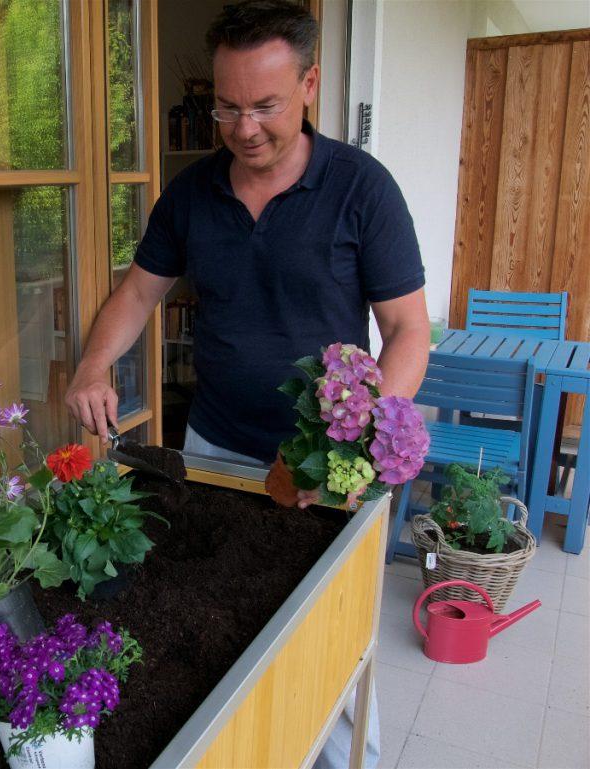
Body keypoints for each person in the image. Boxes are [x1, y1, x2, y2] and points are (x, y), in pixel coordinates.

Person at [65, 2, 430, 766]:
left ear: (309, 85)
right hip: (215, 451)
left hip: (326, 472)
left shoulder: (362, 188)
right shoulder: (192, 194)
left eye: (264, 105)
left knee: (328, 656)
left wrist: (348, 452)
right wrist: (95, 365)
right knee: (221, 634)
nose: (244, 126)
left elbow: (406, 332)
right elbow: (136, 295)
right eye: (227, 107)